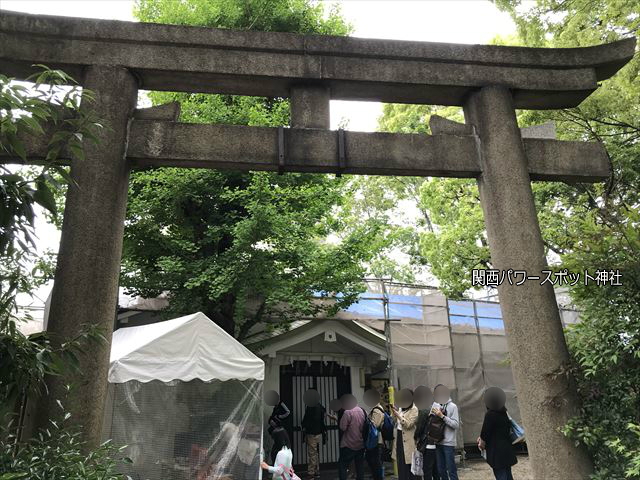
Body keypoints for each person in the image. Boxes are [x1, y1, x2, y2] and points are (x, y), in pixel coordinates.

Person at [478, 387, 517, 480]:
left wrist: (481, 441)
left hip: (496, 451)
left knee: (501, 475)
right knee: (508, 474)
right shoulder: (504, 412)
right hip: (506, 448)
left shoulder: (490, 414)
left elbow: (485, 434)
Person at [433, 384, 460, 480]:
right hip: (437, 441)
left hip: (448, 443)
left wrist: (442, 416)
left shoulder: (453, 406)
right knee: (441, 470)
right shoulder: (435, 405)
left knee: (451, 469)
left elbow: (456, 425)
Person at [391, 388, 419, 480]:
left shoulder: (414, 409)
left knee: (411, 467)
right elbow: (395, 423)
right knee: (401, 465)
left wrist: (399, 416)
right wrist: (394, 413)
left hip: (409, 441)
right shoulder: (401, 408)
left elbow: (408, 424)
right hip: (399, 438)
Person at [338, 394, 366, 480]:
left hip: (348, 445)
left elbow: (342, 427)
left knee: (342, 465)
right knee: (359, 466)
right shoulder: (362, 411)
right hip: (360, 444)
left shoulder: (347, 412)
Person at [414, 386, 438, 480]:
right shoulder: (438, 408)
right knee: (436, 470)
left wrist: (415, 437)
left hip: (427, 444)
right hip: (438, 443)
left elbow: (419, 429)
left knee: (427, 470)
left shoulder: (424, 411)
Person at [301, 390, 326, 480]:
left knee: (312, 453)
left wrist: (304, 426)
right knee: (315, 453)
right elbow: (323, 415)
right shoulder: (320, 406)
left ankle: (311, 473)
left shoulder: (310, 407)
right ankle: (317, 471)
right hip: (319, 432)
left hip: (312, 433)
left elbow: (307, 420)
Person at [364, 389, 385, 480]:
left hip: (376, 440)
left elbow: (375, 425)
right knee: (374, 461)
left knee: (375, 462)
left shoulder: (377, 410)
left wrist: (367, 420)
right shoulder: (375, 409)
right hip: (375, 439)